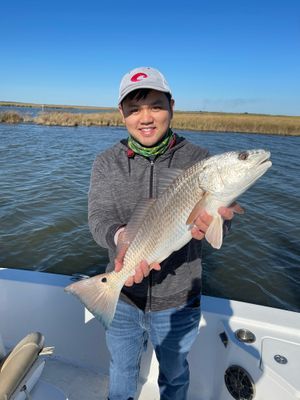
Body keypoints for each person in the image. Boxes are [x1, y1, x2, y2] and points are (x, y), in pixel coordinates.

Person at [88, 67, 238, 400]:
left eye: (156, 105)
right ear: (122, 114)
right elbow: (99, 217)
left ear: (171, 105)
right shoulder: (105, 162)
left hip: (178, 300)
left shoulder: (200, 160)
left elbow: (219, 223)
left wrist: (222, 220)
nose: (146, 118)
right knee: (122, 370)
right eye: (134, 109)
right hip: (123, 296)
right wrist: (120, 237)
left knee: (175, 376)